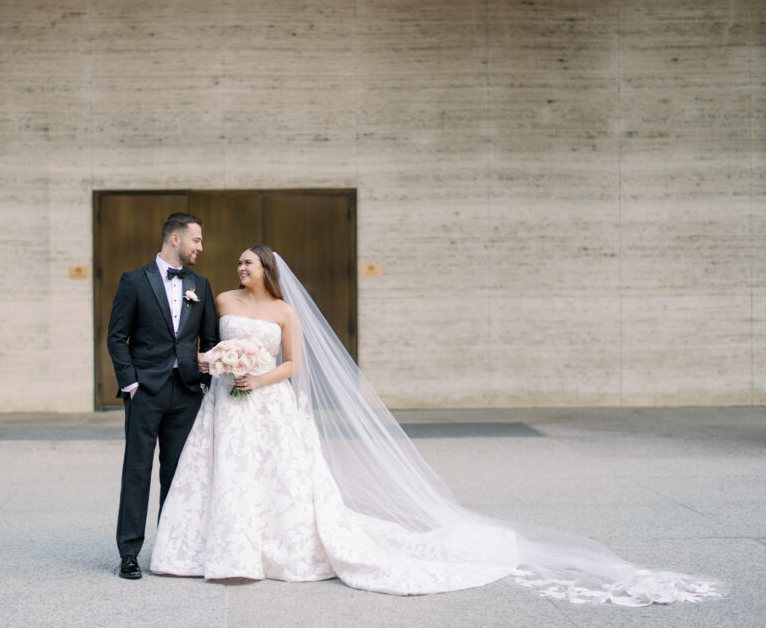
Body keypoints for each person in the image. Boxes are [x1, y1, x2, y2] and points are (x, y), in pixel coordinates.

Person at [150, 245, 723, 604]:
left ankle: (274, 551)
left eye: (248, 262)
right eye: (240, 262)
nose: (238, 266)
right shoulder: (220, 300)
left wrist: (257, 378)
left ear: (266, 271)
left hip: (268, 404)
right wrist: (214, 363)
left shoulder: (285, 311)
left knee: (280, 483)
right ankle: (219, 552)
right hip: (225, 407)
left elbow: (293, 364)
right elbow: (203, 347)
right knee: (223, 477)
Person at [106, 212, 218, 580]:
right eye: (196, 240)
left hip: (186, 392)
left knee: (178, 474)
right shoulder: (134, 281)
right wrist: (131, 383)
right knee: (137, 471)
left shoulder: (200, 284)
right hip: (146, 392)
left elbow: (211, 340)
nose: (200, 246)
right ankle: (129, 553)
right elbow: (116, 337)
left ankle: (171, 550)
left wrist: (205, 380)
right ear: (175, 238)